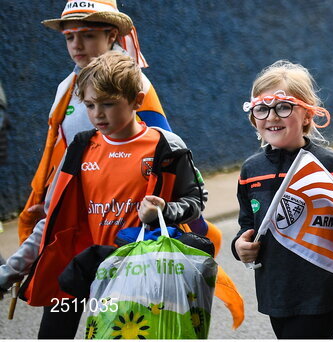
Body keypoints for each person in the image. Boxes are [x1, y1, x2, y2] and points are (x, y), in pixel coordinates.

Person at [0, 52, 205, 338]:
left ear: (136, 100)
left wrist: (165, 211)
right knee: (52, 333)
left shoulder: (166, 146)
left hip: (137, 272)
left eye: (108, 104)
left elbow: (196, 202)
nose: (97, 113)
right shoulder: (80, 148)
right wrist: (9, 271)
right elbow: (50, 221)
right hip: (81, 262)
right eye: (90, 104)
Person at [19, 0, 170, 244]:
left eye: (87, 36)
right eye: (69, 37)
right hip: (75, 203)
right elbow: (60, 150)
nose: (76, 45)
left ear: (111, 34)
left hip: (121, 212)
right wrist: (49, 199)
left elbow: (163, 149)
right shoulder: (66, 87)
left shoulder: (134, 84)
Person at [233, 61, 333, 338]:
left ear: (307, 115)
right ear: (253, 117)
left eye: (283, 107)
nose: (272, 117)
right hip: (275, 293)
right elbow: (246, 224)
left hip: (321, 293)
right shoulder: (251, 170)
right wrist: (240, 247)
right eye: (262, 109)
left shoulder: (330, 166)